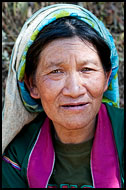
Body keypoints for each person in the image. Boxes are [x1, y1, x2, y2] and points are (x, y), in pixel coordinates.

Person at [2, 3, 124, 188]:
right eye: (56, 71)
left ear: (107, 77)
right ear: (32, 84)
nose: (74, 90)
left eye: (87, 69)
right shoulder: (18, 151)